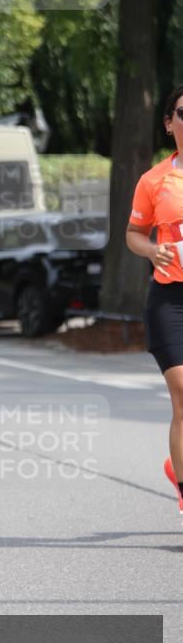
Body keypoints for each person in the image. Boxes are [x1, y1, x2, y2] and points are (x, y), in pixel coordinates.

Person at [126, 85, 183, 518]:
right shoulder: (154, 180)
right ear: (169, 123)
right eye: (182, 113)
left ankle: (175, 467)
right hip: (170, 299)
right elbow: (134, 235)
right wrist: (151, 250)